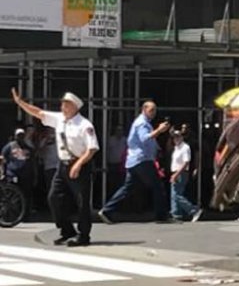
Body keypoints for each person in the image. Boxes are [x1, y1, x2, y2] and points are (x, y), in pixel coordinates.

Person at [11, 89, 99, 246]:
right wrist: (20, 103)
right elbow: (38, 113)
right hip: (62, 165)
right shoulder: (60, 119)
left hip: (80, 164)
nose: (62, 107)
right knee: (54, 197)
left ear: (74, 107)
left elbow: (91, 149)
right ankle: (67, 231)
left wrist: (78, 164)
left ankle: (84, 235)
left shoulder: (84, 125)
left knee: (82, 201)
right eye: (62, 104)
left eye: (66, 105)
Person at [99, 101, 171, 223]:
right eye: (151, 110)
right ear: (144, 109)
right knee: (157, 186)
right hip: (142, 160)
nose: (153, 113)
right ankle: (162, 216)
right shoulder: (142, 123)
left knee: (127, 188)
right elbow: (145, 138)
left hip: (134, 161)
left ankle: (107, 210)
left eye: (154, 110)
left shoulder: (143, 123)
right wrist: (159, 130)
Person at [169, 130, 202, 222]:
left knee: (176, 195)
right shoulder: (176, 148)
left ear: (182, 137)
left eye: (178, 137)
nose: (176, 139)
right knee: (174, 194)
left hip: (181, 173)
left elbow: (186, 162)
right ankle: (176, 214)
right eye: (174, 137)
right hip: (175, 172)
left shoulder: (185, 147)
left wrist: (176, 174)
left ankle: (193, 210)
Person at [1, 127, 35, 215]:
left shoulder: (27, 147)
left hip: (25, 175)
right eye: (19, 135)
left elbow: (32, 160)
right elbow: (3, 158)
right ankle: (12, 213)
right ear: (15, 136)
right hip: (12, 174)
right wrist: (3, 171)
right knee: (12, 194)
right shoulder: (9, 146)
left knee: (26, 194)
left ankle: (26, 213)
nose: (20, 137)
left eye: (22, 135)